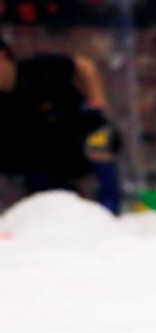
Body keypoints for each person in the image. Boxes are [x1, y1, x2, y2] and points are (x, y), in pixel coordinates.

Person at [0, 36, 122, 215]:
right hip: (43, 155)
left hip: (77, 135)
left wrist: (97, 103)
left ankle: (110, 208)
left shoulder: (38, 69)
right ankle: (72, 204)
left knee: (100, 137)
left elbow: (84, 66)